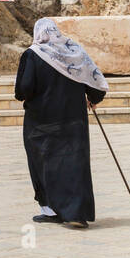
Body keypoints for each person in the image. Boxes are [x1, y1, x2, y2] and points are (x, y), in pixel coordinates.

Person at [14, 17, 108, 229]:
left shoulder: (33, 54)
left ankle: (51, 210)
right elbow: (94, 82)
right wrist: (92, 98)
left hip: (41, 123)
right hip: (74, 121)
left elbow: (24, 89)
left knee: (43, 164)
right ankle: (77, 213)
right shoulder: (74, 52)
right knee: (75, 165)